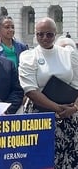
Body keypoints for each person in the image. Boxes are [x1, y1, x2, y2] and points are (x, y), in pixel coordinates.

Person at [18, 17, 78, 168]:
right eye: (40, 34)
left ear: (56, 34)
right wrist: (57, 109)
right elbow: (30, 90)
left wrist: (75, 108)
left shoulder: (68, 54)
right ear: (36, 35)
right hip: (41, 116)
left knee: (69, 159)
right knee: (42, 160)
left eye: (49, 34)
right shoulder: (28, 56)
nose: (44, 38)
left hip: (69, 116)